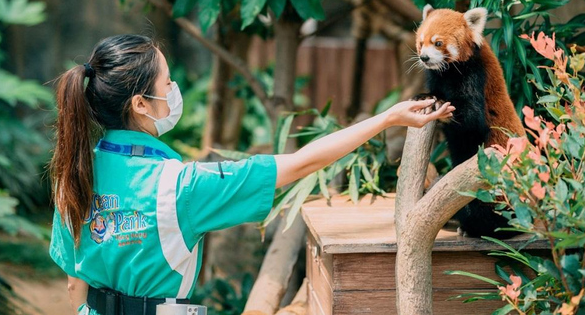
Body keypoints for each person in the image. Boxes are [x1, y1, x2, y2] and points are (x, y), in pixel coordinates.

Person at [49, 34, 454, 315]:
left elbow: (74, 284)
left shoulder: (73, 175)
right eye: (167, 82)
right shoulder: (180, 187)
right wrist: (387, 118)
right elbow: (300, 164)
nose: (173, 89)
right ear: (140, 103)